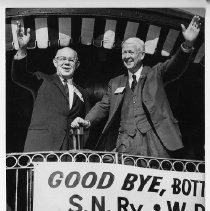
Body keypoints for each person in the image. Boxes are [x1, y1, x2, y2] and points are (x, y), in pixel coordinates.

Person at [71, 16, 201, 158]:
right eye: (124, 52)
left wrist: (187, 45)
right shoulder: (115, 82)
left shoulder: (155, 73)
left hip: (154, 142)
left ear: (142, 55)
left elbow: (175, 65)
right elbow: (103, 106)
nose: (127, 56)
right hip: (125, 143)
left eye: (131, 52)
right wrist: (87, 120)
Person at [11, 21, 90, 152]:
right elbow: (19, 75)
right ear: (55, 62)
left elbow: (87, 122)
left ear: (77, 65)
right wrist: (22, 49)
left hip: (70, 153)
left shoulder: (83, 93)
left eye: (71, 60)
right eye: (62, 59)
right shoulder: (42, 80)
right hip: (41, 149)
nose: (66, 63)